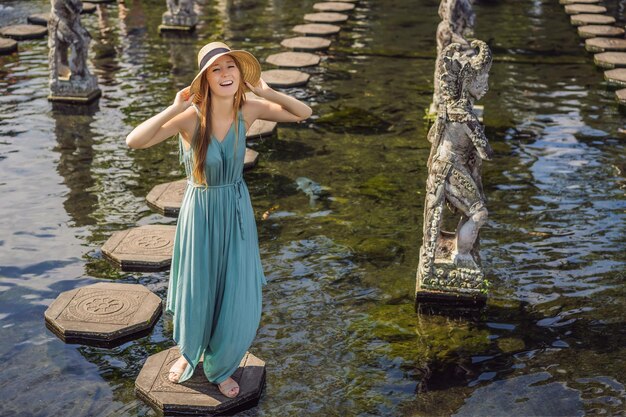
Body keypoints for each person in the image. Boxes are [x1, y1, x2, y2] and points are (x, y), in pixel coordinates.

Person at [125, 42, 312, 398]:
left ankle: (222, 365)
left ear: (240, 74)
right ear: (204, 79)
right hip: (201, 211)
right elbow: (135, 141)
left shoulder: (249, 109)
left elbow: (303, 111)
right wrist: (173, 106)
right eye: (216, 69)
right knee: (199, 286)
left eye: (231, 67)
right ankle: (189, 353)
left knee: (235, 289)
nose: (225, 74)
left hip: (236, 208)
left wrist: (268, 90)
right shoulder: (190, 117)